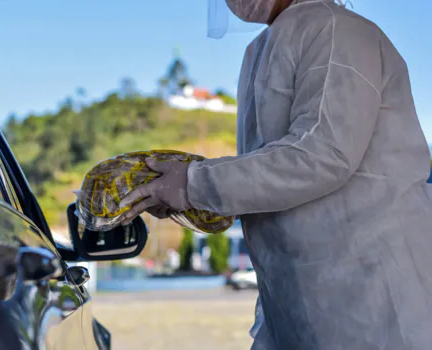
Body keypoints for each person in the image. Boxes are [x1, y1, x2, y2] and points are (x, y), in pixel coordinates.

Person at [120, 0, 432, 349]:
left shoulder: (335, 29)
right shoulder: (261, 50)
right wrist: (188, 198)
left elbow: (323, 155)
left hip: (375, 293)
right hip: (298, 296)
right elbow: (268, 174)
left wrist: (195, 184)